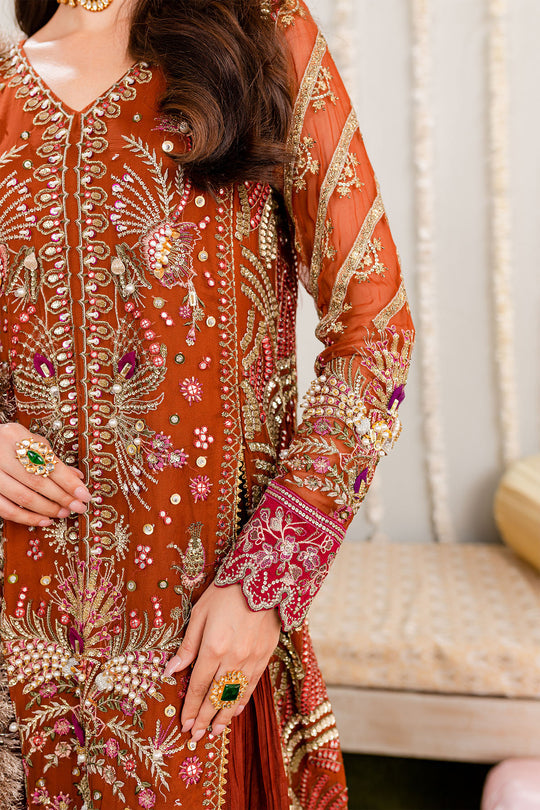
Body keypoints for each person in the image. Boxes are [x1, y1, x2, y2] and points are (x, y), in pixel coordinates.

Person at [0, 0, 414, 807]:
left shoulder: (259, 33)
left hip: (199, 650)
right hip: (18, 667)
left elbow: (375, 334)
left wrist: (266, 583)